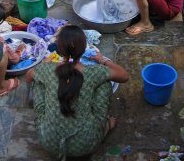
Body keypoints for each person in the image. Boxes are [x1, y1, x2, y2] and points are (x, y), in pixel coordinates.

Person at [26, 24, 129, 160]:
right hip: (86, 144)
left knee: (37, 80)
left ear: (59, 49)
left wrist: (44, 65)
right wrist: (102, 59)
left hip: (48, 140)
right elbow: (123, 76)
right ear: (84, 49)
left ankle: (38, 106)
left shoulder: (47, 69)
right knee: (104, 82)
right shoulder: (93, 72)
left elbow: (28, 76)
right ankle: (106, 126)